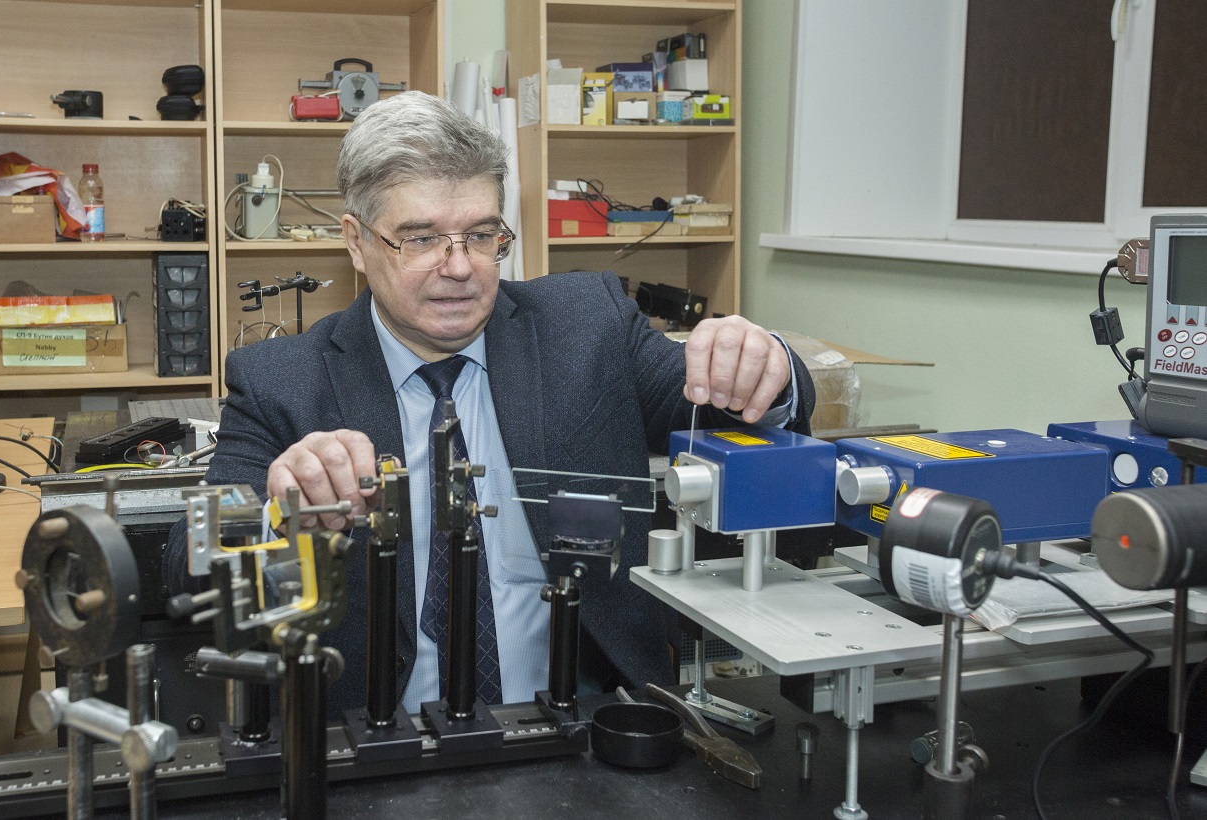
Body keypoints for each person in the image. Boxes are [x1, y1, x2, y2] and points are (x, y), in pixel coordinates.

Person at [165, 91, 816, 715]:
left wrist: (766, 366)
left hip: (589, 727)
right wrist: (280, 512)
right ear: (357, 242)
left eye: (481, 235)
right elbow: (188, 566)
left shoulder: (586, 327)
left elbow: (726, 404)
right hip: (375, 742)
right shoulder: (282, 380)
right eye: (421, 239)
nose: (460, 267)